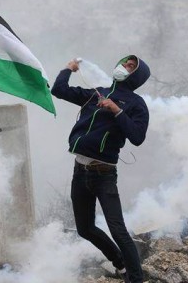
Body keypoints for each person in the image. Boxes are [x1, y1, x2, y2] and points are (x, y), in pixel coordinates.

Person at [51, 55, 150, 283]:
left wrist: (116, 110)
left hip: (103, 174)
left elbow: (137, 137)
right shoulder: (97, 92)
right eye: (125, 63)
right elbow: (59, 90)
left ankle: (136, 279)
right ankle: (120, 262)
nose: (125, 67)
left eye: (131, 67)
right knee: (85, 229)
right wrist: (68, 68)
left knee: (118, 230)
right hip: (80, 171)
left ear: (137, 76)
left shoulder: (136, 103)